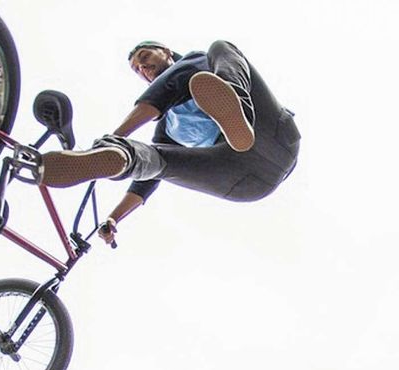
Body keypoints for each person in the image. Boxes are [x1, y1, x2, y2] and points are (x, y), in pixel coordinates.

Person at [38, 40, 300, 246]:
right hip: (243, 180)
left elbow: (172, 83)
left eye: (145, 57)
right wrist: (113, 218)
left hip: (273, 134)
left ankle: (238, 109)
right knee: (154, 159)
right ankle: (122, 154)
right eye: (137, 69)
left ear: (165, 51)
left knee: (220, 47)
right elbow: (146, 181)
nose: (143, 68)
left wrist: (116, 135)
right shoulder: (169, 127)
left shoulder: (198, 64)